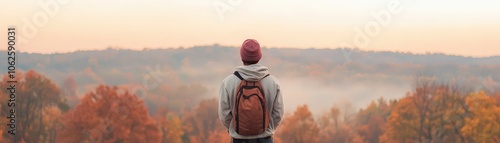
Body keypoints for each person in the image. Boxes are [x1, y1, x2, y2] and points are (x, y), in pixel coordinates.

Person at [218, 39, 284, 143]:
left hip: (238, 139)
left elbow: (224, 115)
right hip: (265, 139)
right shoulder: (273, 83)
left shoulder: (228, 82)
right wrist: (267, 128)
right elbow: (278, 114)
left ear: (242, 56)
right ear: (259, 56)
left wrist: (235, 128)